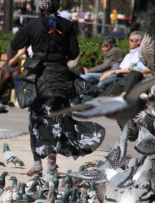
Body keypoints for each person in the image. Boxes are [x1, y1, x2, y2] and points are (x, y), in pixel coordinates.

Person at [10, 0, 105, 176]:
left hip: (39, 79)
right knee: (58, 121)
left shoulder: (33, 25)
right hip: (61, 79)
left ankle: (38, 165)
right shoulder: (67, 25)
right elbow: (73, 53)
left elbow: (15, 44)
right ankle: (51, 167)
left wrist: (33, 43)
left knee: (37, 120)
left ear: (41, 6)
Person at [0, 46, 26, 113]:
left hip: (19, 69)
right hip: (10, 68)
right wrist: (19, 55)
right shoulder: (12, 47)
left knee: (13, 75)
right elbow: (10, 62)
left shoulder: (31, 46)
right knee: (7, 75)